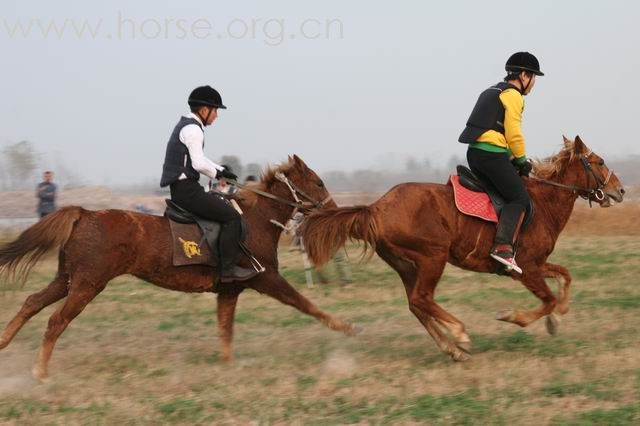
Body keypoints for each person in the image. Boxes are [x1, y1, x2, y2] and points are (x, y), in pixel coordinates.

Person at [160, 85, 259, 283]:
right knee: (232, 217)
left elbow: (200, 159)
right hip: (187, 192)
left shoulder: (189, 126)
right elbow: (197, 163)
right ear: (204, 110)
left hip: (185, 189)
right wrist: (218, 174)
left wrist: (221, 170)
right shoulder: (193, 130)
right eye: (215, 111)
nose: (216, 115)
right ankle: (227, 269)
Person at [458, 52, 543, 273]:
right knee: (519, 197)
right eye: (533, 77)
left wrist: (511, 158)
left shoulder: (492, 91)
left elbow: (493, 130)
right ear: (523, 75)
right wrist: (522, 160)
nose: (534, 83)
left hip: (476, 154)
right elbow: (514, 133)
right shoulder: (514, 96)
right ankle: (503, 248)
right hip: (491, 155)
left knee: (503, 193)